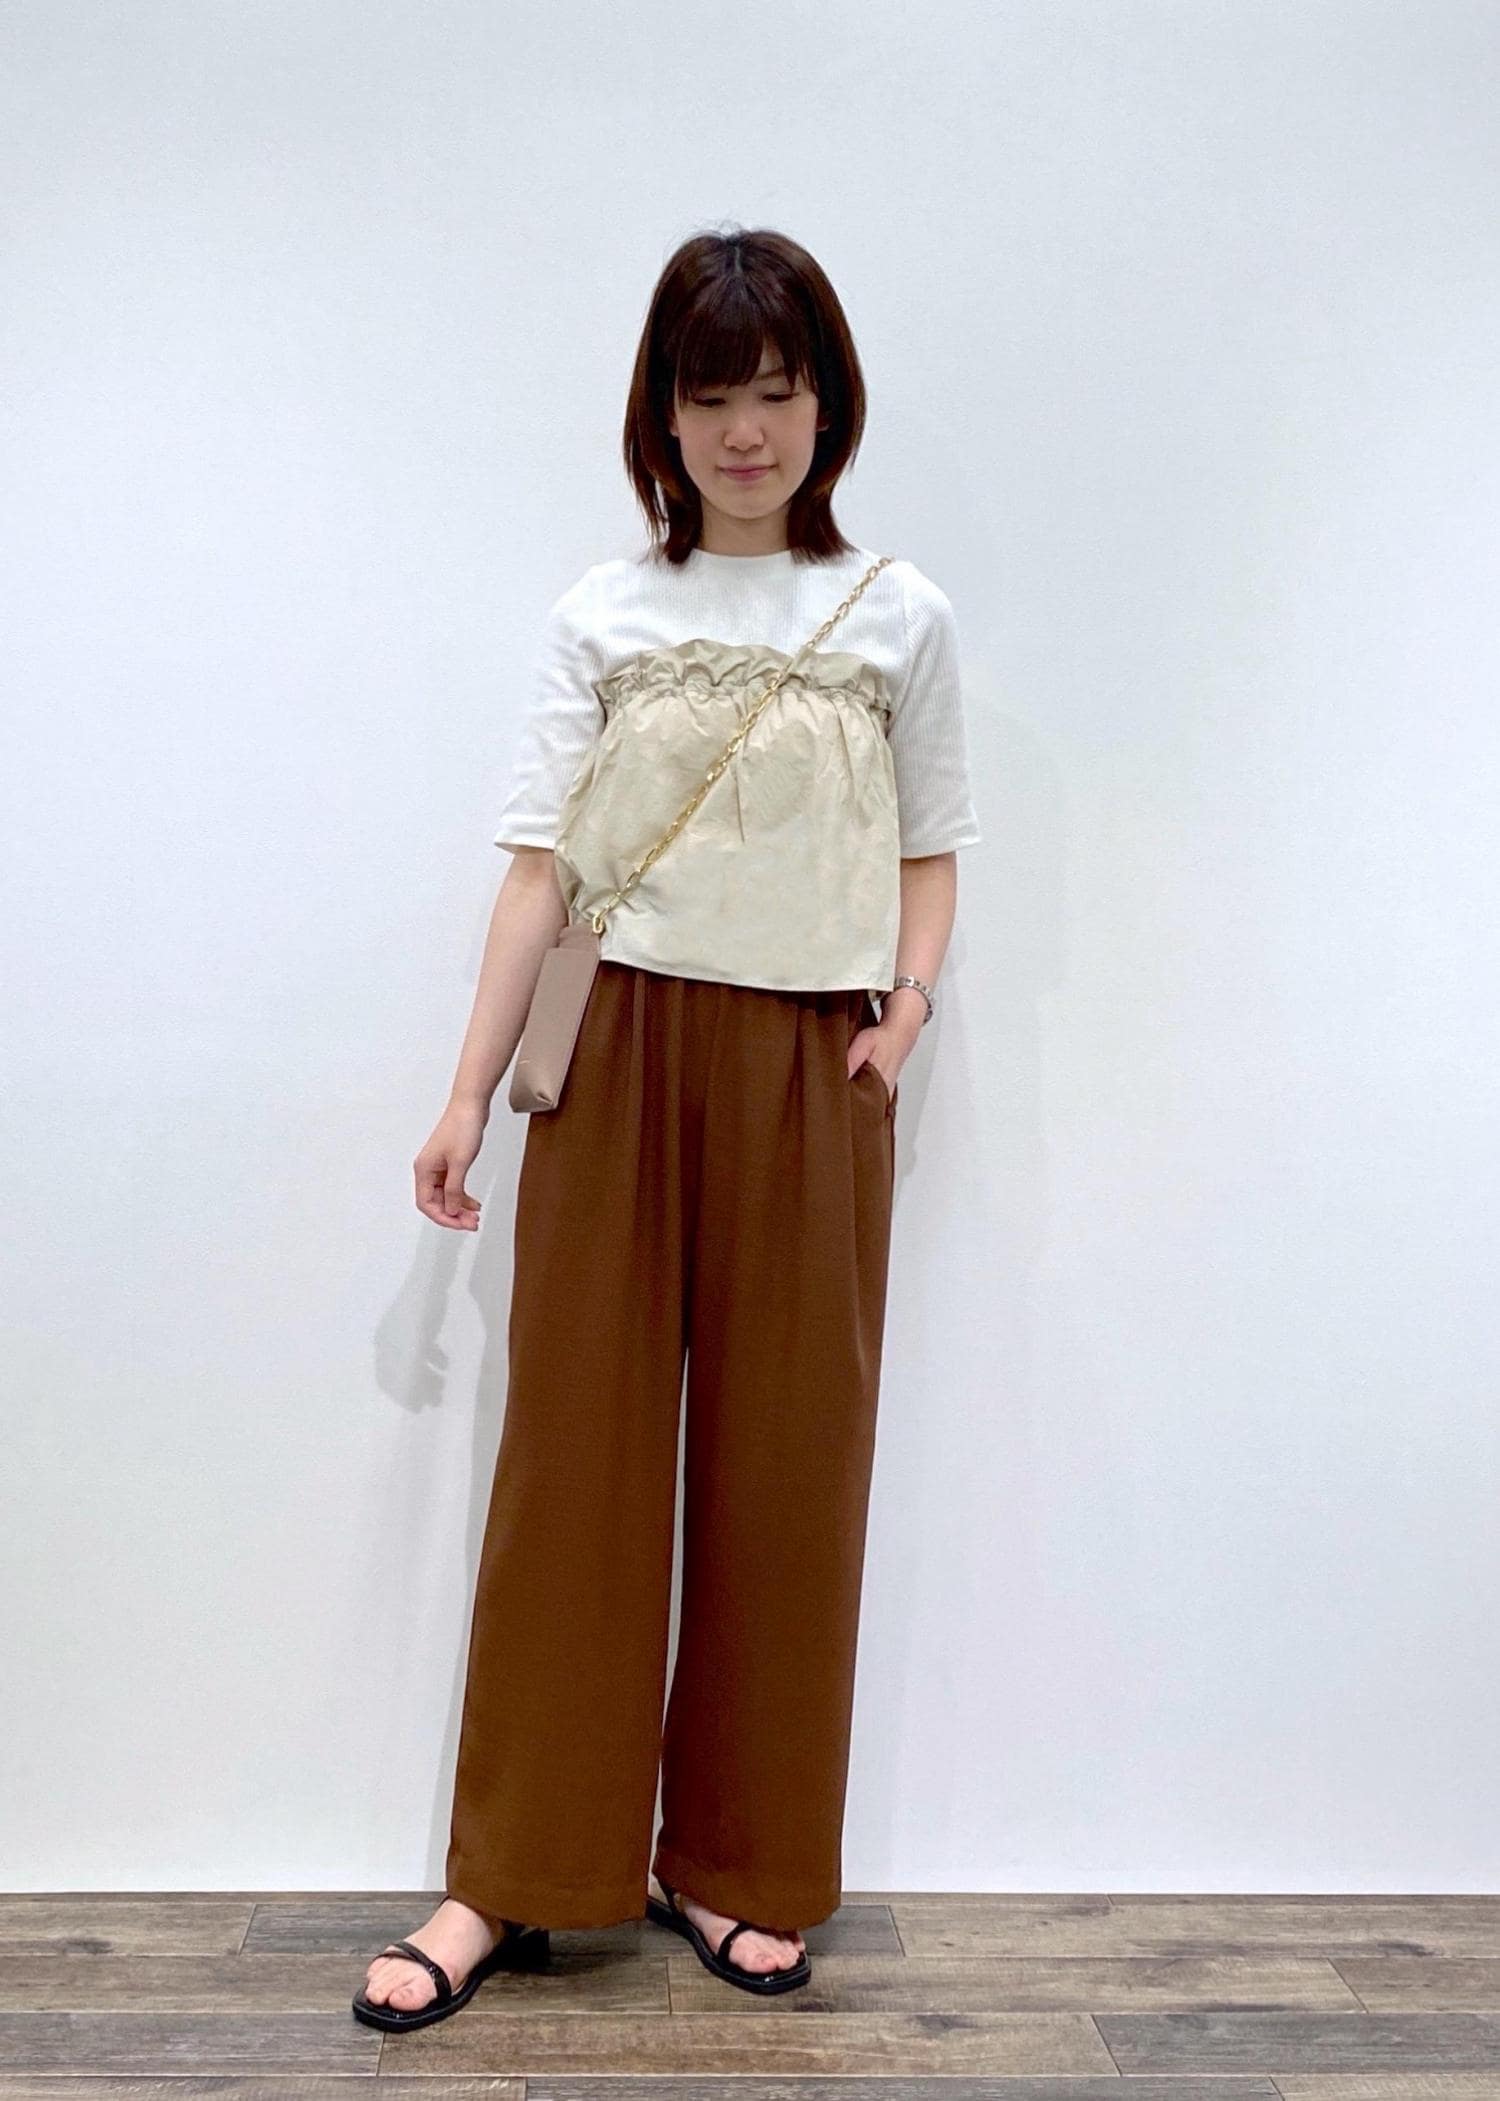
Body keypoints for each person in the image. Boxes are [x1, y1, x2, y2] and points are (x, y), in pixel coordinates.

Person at [353, 224, 982, 2032]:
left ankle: (736, 1860)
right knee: (575, 1462)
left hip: (809, 1069)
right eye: (712, 399)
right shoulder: (604, 614)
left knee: (791, 1470)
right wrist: (466, 1092)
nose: (746, 434)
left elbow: (932, 848)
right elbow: (537, 874)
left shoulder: (899, 616)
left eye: (776, 393)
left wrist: (903, 1015)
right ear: (664, 414)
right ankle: (514, 1870)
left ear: (826, 404)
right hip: (615, 1050)